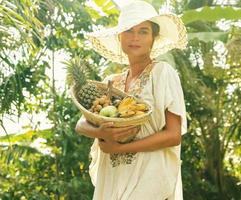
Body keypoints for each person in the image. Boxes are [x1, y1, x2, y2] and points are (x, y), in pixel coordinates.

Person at [75, 1, 187, 199]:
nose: (135, 38)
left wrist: (120, 148)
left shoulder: (162, 73)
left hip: (148, 175)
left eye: (143, 31)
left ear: (153, 38)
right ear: (120, 37)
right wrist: (100, 132)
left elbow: (173, 135)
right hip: (112, 176)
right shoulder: (111, 83)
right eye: (129, 30)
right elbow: (81, 123)